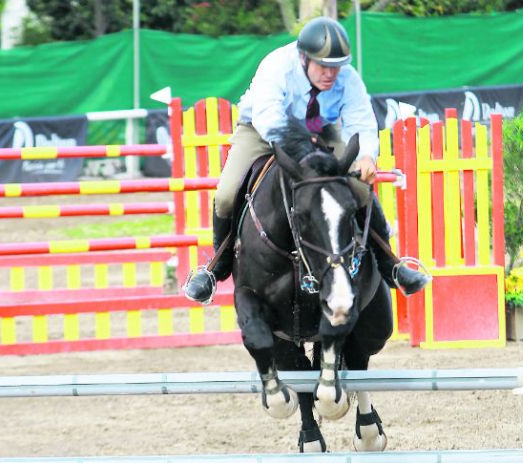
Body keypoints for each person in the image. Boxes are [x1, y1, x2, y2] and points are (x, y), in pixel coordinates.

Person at [184, 16, 430, 303]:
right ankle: (217, 267)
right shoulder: (276, 66)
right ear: (304, 57)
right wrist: (303, 152)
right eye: (323, 66)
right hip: (262, 133)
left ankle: (391, 265)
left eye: (336, 67)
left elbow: (360, 121)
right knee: (226, 194)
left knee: (361, 186)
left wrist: (365, 156)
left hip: (320, 131)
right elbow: (269, 119)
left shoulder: (348, 77)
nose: (331, 74)